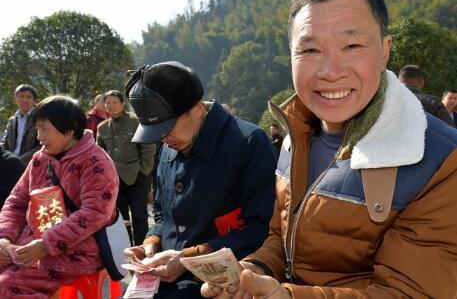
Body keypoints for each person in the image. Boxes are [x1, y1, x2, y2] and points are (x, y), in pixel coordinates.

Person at [201, 0, 457, 298]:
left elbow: (412, 292)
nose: (331, 71)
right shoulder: (295, 134)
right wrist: (254, 271)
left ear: (385, 50)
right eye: (310, 49)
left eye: (352, 46)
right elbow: (281, 236)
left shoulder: (441, 161)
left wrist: (287, 295)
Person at [123, 61, 277, 298]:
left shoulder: (248, 143)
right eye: (156, 133)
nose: (163, 139)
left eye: (167, 128)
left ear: (197, 109)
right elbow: (163, 212)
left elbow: (262, 228)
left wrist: (189, 258)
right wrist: (152, 244)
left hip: (221, 286)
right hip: (168, 280)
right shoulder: (168, 146)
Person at [0, 95, 119, 297]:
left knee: (7, 286)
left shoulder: (96, 163)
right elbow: (16, 202)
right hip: (28, 244)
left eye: (44, 129)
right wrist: (4, 237)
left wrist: (47, 244)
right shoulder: (40, 158)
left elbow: (94, 214)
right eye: (37, 129)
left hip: (76, 252)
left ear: (70, 129)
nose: (39, 136)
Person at [96, 90, 155, 246]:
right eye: (107, 103)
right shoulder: (102, 127)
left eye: (115, 102)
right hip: (113, 179)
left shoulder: (136, 121)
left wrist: (144, 173)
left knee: (139, 215)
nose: (111, 106)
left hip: (136, 174)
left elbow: (148, 149)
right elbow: (99, 153)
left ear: (122, 104)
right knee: (120, 217)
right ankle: (126, 248)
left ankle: (142, 248)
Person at [2, 84, 41, 166]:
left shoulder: (39, 119)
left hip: (31, 164)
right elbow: (5, 144)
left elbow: (41, 146)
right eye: (21, 96)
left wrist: (18, 161)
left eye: (29, 97)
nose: (24, 100)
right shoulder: (12, 121)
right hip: (11, 164)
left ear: (34, 100)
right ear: (15, 99)